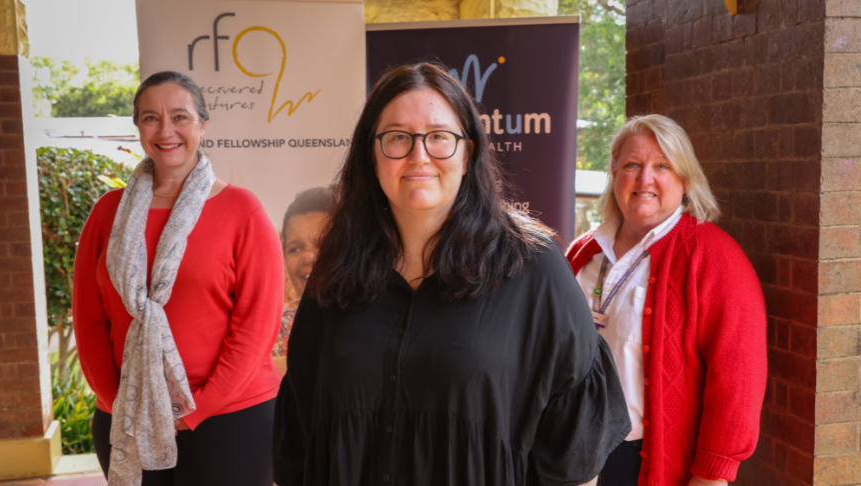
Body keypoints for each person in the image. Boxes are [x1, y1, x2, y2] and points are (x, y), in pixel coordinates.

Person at [272, 62, 631, 486]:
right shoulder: (337, 265)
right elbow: (301, 426)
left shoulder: (533, 267)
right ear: (372, 155)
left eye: (439, 137)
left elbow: (572, 449)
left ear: (468, 153)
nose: (418, 155)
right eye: (397, 138)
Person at [73, 71, 284, 486]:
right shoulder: (106, 214)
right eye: (151, 118)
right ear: (138, 128)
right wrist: (120, 402)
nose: (165, 130)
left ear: (202, 125)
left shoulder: (242, 210)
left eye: (180, 117)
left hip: (229, 420)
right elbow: (89, 319)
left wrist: (196, 410)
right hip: (128, 417)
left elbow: (256, 327)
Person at [566, 115, 767, 486]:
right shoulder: (583, 251)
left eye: (662, 166)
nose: (645, 179)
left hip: (646, 460)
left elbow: (739, 377)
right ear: (614, 172)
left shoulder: (713, 257)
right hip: (571, 454)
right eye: (632, 165)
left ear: (685, 178)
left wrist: (712, 474)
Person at [272, 186, 334, 375]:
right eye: (295, 249)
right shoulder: (274, 326)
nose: (308, 257)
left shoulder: (378, 321)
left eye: (323, 245)